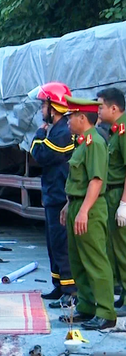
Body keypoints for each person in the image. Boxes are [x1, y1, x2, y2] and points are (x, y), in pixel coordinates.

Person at [58, 95, 116, 330]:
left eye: (70, 116)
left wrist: (83, 211)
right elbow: (78, 180)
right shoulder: (83, 142)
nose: (68, 121)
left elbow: (96, 180)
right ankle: (86, 307)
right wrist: (68, 205)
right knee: (78, 260)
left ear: (82, 117)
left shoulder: (95, 143)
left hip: (89, 209)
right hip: (78, 205)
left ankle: (105, 312)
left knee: (95, 260)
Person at [29, 82, 77, 308]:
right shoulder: (58, 130)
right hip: (53, 193)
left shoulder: (62, 133)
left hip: (60, 195)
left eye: (44, 105)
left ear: (54, 106)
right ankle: (59, 286)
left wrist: (39, 133)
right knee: (52, 243)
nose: (42, 110)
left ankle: (70, 291)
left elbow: (39, 154)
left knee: (61, 244)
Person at [96, 87, 126, 313]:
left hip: (119, 193)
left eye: (100, 106)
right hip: (112, 193)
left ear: (113, 108)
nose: (97, 110)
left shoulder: (123, 131)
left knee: (122, 249)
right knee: (115, 249)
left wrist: (124, 203)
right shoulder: (115, 131)